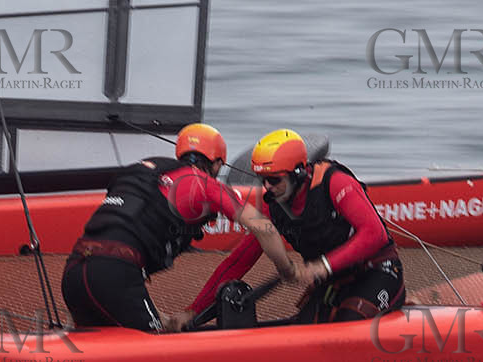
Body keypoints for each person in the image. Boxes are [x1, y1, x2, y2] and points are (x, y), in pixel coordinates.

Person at [63, 124, 281, 332]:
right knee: (157, 350)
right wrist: (288, 269)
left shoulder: (143, 171)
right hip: (116, 274)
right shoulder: (206, 184)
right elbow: (264, 228)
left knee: (96, 345)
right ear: (216, 164)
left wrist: (158, 317)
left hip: (73, 272)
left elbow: (122, 236)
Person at [186, 129, 404, 324]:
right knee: (305, 329)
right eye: (262, 179)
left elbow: (376, 234)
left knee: (349, 324)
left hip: (377, 271)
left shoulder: (335, 182)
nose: (267, 187)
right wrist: (192, 311)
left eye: (274, 179)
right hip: (333, 282)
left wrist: (323, 266)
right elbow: (239, 260)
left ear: (298, 172)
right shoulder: (275, 206)